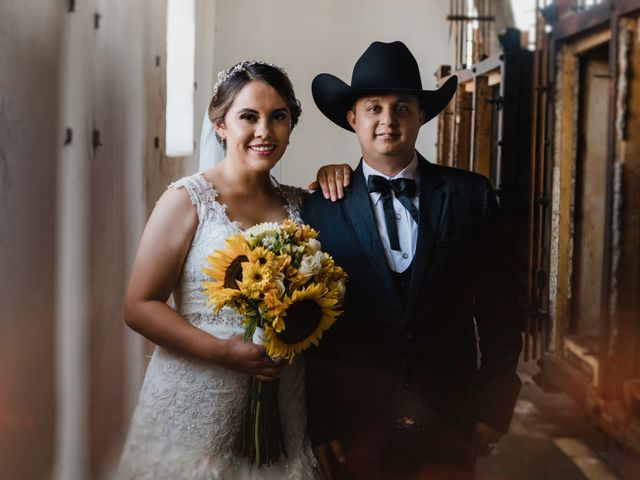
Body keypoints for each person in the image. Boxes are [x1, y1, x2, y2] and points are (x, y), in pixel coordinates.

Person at [303, 41, 523, 480]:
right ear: (353, 118)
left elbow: (502, 309)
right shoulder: (320, 208)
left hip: (450, 416)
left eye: (402, 106)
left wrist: (492, 405)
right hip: (355, 424)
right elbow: (312, 335)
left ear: (421, 115)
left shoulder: (471, 196)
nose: (388, 120)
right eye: (374, 107)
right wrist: (321, 422)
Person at [116, 61, 320, 480]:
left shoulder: (304, 206)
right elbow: (139, 306)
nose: (265, 131)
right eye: (249, 116)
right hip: (195, 400)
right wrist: (224, 353)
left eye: (278, 117)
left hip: (282, 407)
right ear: (220, 125)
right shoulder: (187, 200)